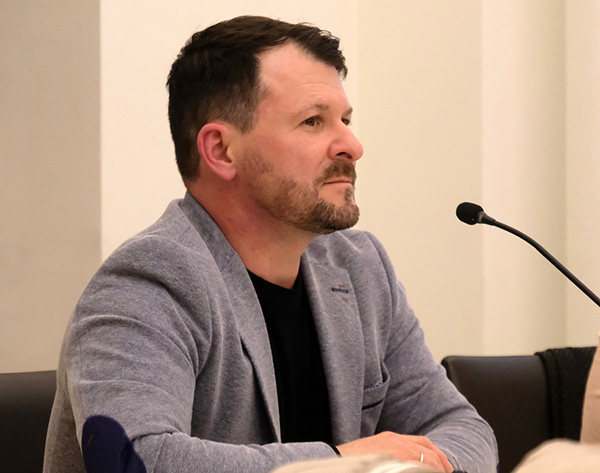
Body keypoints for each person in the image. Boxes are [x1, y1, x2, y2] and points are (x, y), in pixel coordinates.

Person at [43, 15, 498, 473]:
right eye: (313, 121)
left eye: (345, 120)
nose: (352, 145)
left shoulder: (362, 268)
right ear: (221, 150)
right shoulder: (148, 281)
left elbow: (460, 427)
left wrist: (414, 464)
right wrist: (344, 463)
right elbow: (136, 459)